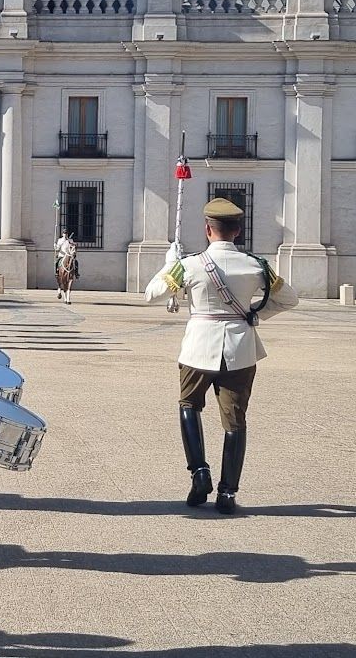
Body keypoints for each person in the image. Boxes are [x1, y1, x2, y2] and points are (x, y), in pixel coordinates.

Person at [144, 198, 300, 516]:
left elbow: (151, 294)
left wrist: (169, 262)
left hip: (198, 347)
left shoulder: (188, 265)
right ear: (238, 231)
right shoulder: (256, 265)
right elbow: (290, 299)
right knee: (235, 420)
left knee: (189, 406)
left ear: (207, 230)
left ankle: (199, 473)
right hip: (240, 350)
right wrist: (255, 315)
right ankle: (227, 493)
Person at [54, 230, 78, 304]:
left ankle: (76, 273)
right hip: (62, 255)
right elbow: (57, 248)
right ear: (62, 234)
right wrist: (55, 246)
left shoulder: (70, 240)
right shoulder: (60, 240)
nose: (65, 234)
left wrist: (73, 244)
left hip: (69, 255)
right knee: (56, 262)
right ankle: (57, 272)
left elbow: (73, 246)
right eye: (64, 233)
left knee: (76, 262)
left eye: (66, 233)